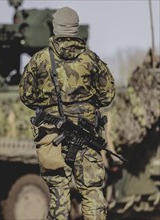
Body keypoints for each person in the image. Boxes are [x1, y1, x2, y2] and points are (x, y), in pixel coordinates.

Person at [19, 6, 115, 220]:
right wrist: (87, 106)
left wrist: (48, 105)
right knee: (92, 193)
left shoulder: (39, 60)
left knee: (58, 196)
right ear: (75, 29)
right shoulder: (92, 60)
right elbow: (107, 96)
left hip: (52, 138)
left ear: (55, 28)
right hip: (87, 137)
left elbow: (26, 96)